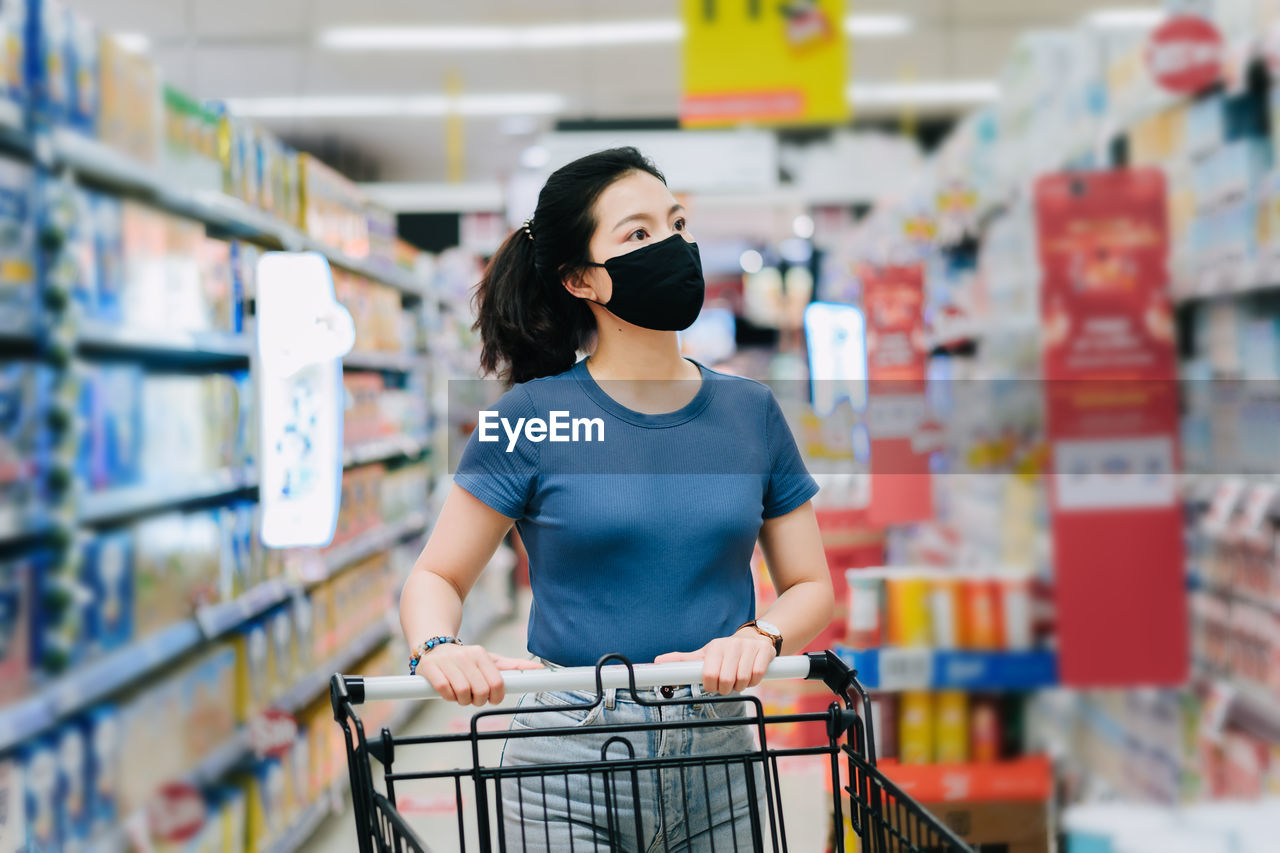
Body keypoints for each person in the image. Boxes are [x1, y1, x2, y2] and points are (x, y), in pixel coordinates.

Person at [398, 146, 833, 851]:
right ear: (581, 280)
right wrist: (437, 646)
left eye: (677, 222)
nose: (673, 247)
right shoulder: (531, 419)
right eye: (637, 235)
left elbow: (810, 584)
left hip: (719, 751)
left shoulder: (751, 412)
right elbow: (437, 576)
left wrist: (761, 636)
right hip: (565, 760)